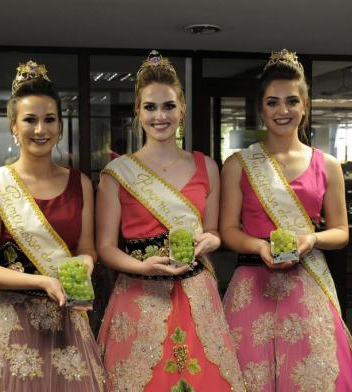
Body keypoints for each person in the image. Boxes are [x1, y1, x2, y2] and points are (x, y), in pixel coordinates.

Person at [96, 50, 245, 392]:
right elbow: (105, 247)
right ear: (138, 112)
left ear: (182, 110)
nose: (159, 115)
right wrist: (144, 267)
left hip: (196, 293)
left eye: (168, 106)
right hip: (138, 292)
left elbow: (213, 231)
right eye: (150, 107)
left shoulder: (207, 166)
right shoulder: (117, 174)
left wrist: (212, 241)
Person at [0, 61, 106, 391]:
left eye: (49, 119)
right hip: (11, 323)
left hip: (67, 320)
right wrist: (42, 281)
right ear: (14, 126)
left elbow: (86, 248)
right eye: (30, 120)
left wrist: (85, 263)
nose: (40, 129)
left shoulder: (80, 183)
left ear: (60, 126)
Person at [220, 49, 352, 391]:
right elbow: (228, 230)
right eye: (273, 102)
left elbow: (340, 231)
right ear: (261, 109)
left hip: (307, 282)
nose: (283, 111)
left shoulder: (328, 165)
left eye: (292, 101)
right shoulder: (238, 164)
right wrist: (258, 246)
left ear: (305, 105)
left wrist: (312, 240)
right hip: (252, 285)